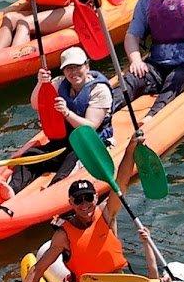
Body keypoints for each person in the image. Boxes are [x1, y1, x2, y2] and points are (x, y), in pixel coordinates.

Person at [0, 142, 149, 282]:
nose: (85, 204)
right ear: (71, 203)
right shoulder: (63, 235)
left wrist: (131, 149)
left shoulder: (106, 215)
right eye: (78, 200)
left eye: (88, 198)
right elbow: (39, 267)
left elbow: (121, 182)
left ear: (96, 197)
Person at [7, 46, 112, 194]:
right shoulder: (59, 83)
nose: (73, 72)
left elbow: (91, 127)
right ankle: (13, 188)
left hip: (90, 144)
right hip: (64, 140)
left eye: (77, 67)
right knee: (30, 156)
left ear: (87, 66)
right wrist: (40, 83)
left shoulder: (99, 90)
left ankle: (54, 188)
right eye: (69, 68)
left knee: (74, 156)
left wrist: (66, 113)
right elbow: (35, 104)